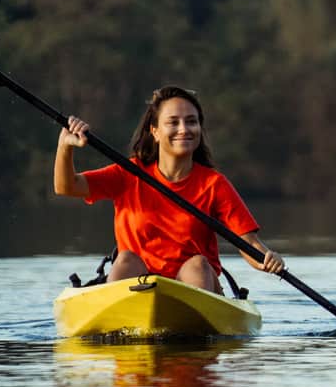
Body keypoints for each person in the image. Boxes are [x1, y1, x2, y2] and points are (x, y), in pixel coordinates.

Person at [53, 84, 285, 294]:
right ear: (154, 131)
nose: (184, 129)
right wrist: (66, 147)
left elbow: (249, 244)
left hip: (195, 285)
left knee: (197, 265)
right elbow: (67, 187)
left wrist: (268, 259)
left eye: (191, 121)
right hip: (139, 283)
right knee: (125, 260)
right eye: (173, 122)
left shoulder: (214, 184)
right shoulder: (128, 173)